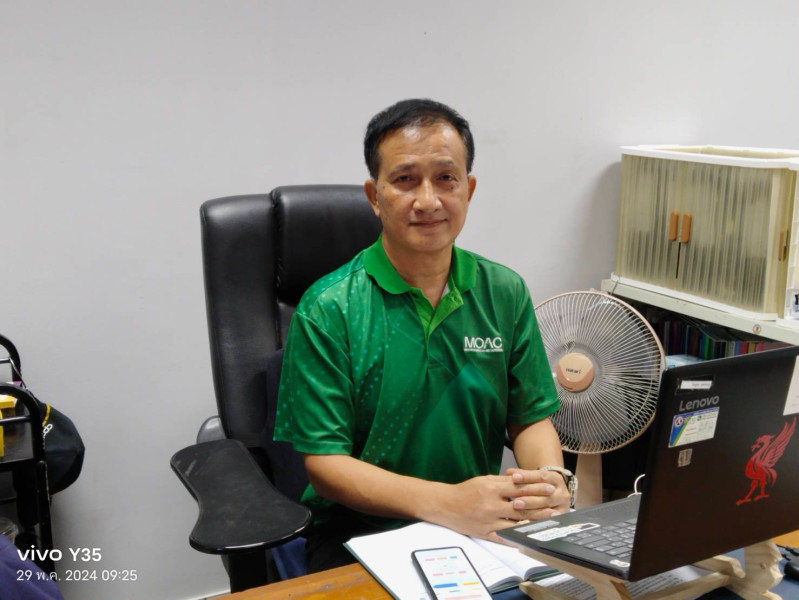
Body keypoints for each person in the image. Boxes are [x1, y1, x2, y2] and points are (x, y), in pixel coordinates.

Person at [273, 98, 571, 573]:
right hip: (359, 534)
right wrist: (448, 503)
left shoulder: (504, 292)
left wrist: (549, 480)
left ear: (469, 189)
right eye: (406, 179)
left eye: (446, 178)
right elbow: (325, 465)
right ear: (374, 196)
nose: (428, 201)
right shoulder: (329, 308)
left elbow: (530, 419)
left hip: (479, 530)